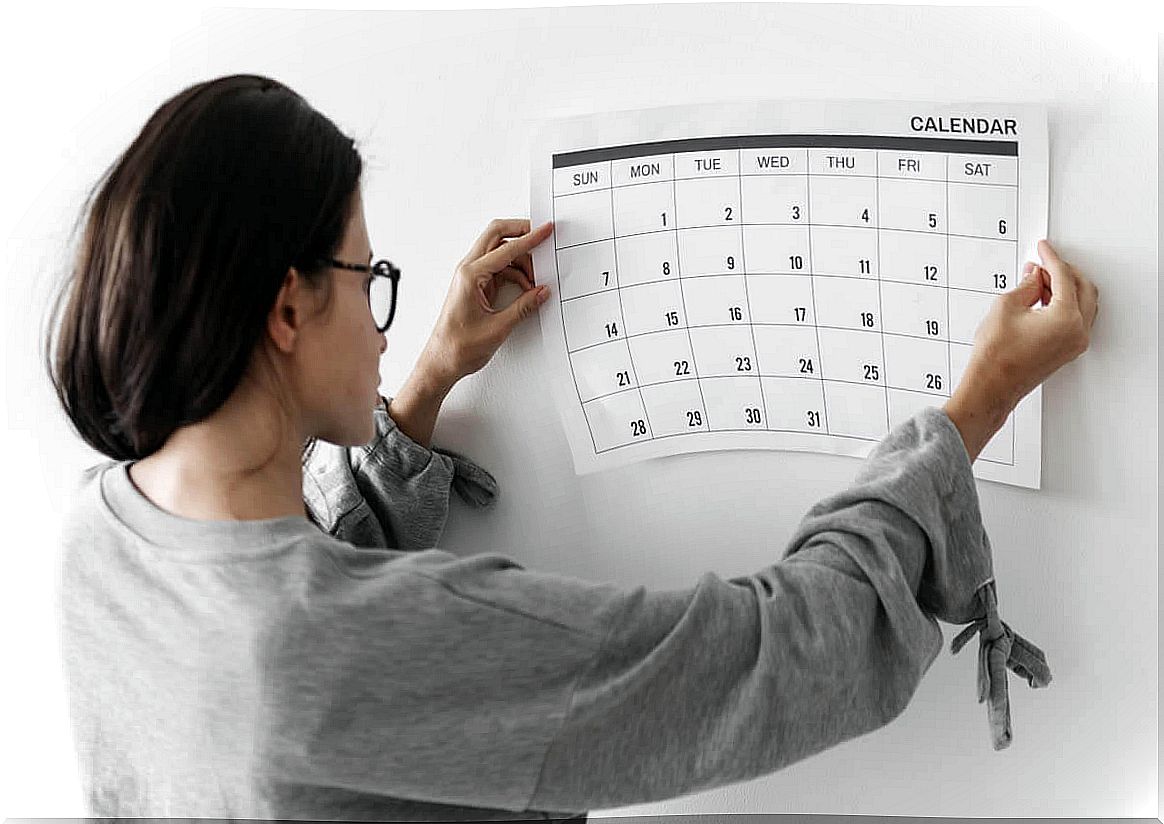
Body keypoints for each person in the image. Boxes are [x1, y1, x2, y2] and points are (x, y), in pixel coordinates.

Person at [45, 74, 1097, 820]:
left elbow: (289, 585)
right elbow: (775, 660)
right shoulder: (336, 649)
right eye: (368, 279)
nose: (380, 314)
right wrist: (977, 402)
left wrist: (418, 388)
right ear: (286, 307)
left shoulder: (102, 536)